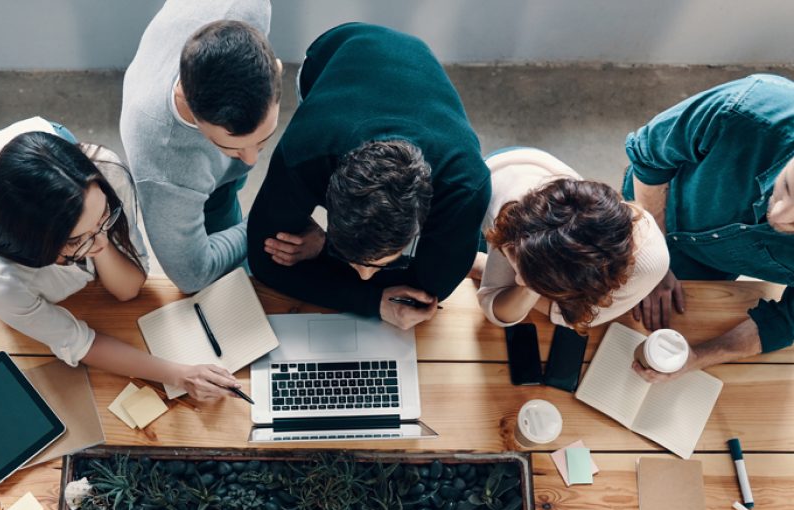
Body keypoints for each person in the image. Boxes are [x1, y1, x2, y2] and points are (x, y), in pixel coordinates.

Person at [0, 118, 241, 402]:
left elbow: (129, 287)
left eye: (105, 216)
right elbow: (80, 344)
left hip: (46, 142)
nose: (104, 242)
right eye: (77, 238)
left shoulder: (105, 173)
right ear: (36, 242)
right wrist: (180, 375)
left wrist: (95, 234)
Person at [247, 23, 491, 330]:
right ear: (329, 194)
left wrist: (324, 255)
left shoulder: (466, 186)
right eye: (353, 260)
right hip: (338, 52)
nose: (363, 276)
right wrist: (372, 300)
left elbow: (429, 292)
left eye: (377, 264)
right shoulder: (304, 154)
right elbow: (262, 259)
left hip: (415, 64)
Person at [624, 74, 794, 382]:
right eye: (788, 188)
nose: (779, 216)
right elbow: (649, 156)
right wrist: (655, 261)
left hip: (713, 264)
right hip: (646, 209)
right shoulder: (747, 108)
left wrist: (699, 356)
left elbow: (789, 320)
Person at [120, 0, 281, 293]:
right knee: (233, 281)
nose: (251, 161)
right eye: (228, 147)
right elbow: (192, 274)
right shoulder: (168, 169)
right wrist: (269, 222)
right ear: (186, 102)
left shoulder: (248, 7)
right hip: (183, 173)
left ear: (277, 70)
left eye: (263, 140)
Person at [475, 148, 668, 332]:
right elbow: (496, 309)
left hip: (536, 171)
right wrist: (529, 284)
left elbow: (575, 316)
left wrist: (531, 283)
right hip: (487, 182)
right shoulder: (515, 225)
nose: (518, 277)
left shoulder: (650, 257)